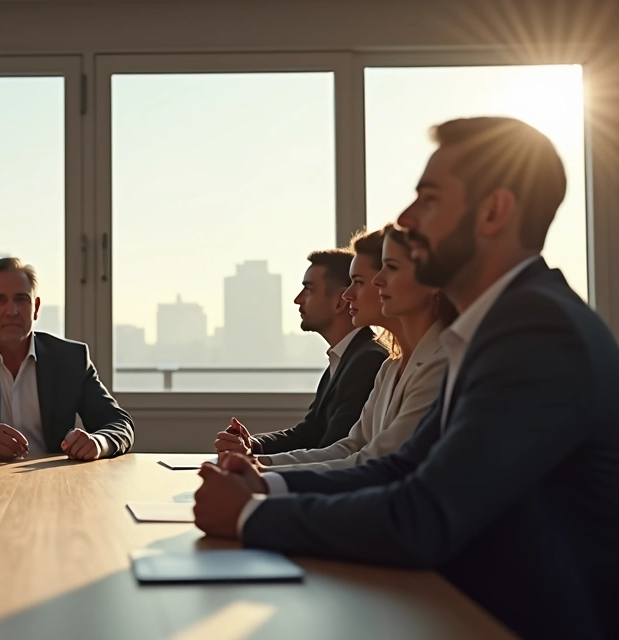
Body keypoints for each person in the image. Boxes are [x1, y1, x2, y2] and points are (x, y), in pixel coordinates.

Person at [193, 117, 619, 640]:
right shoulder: (499, 325)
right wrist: (266, 484)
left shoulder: (537, 332)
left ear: (494, 212)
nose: (406, 218)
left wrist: (249, 517)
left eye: (429, 199)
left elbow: (424, 516)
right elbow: (403, 466)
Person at [254, 224, 453, 471]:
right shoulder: (390, 367)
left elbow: (378, 461)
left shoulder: (439, 364)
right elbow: (351, 446)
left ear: (431, 281)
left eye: (390, 268)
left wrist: (266, 474)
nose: (348, 294)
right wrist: (261, 463)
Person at [0, 258, 133, 460]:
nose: (12, 311)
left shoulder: (70, 359)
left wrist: (98, 442)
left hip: (53, 482)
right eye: (0, 300)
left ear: (36, 308)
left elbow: (119, 424)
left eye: (22, 299)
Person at [215, 248, 387, 456]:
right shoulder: (346, 357)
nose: (298, 299)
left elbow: (334, 448)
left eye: (309, 289)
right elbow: (310, 432)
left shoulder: (367, 360)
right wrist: (253, 445)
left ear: (341, 301)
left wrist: (262, 467)